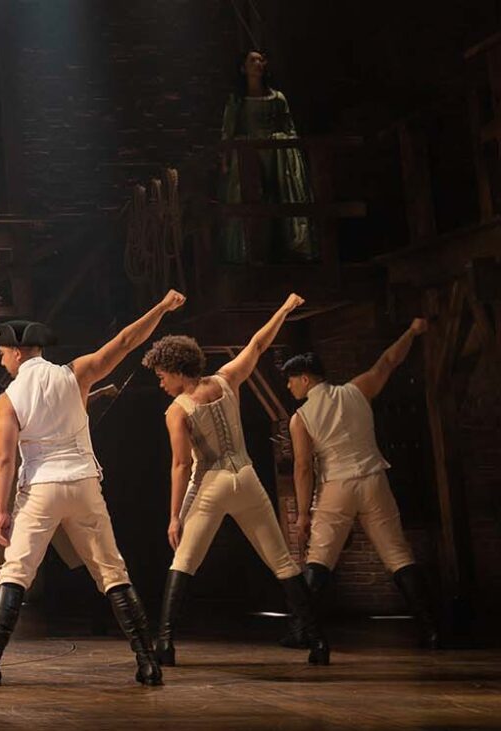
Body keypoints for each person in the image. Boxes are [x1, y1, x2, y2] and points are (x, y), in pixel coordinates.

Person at [0, 291, 188, 689]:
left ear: (17, 353)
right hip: (84, 483)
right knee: (112, 571)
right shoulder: (75, 373)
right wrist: (160, 308)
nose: (2, 361)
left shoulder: (8, 398)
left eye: (2, 354)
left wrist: (1, 511)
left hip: (41, 488)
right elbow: (125, 342)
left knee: (15, 571)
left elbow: (4, 459)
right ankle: (147, 663)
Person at [142, 294, 329, 666]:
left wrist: (174, 516)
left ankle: (165, 644)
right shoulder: (227, 379)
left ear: (177, 370)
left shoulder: (177, 410)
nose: (160, 383)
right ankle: (319, 642)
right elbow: (258, 344)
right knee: (282, 561)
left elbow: (181, 465)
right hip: (246, 478)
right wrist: (284, 309)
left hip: (211, 483)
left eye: (162, 375)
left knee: (184, 561)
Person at [283, 319, 442, 648]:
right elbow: (388, 361)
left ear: (305, 378)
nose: (289, 387)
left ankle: (302, 631)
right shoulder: (356, 390)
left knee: (319, 559)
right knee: (398, 554)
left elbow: (302, 467)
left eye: (291, 380)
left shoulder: (301, 418)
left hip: (336, 487)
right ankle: (431, 630)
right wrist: (412, 331)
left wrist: (303, 514)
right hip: (374, 480)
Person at [220, 50, 313, 262]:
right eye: (252, 60)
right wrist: (226, 159)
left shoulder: (278, 98)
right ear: (243, 68)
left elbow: (289, 128)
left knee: (279, 195)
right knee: (250, 196)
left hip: (277, 156)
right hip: (248, 156)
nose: (258, 63)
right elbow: (228, 131)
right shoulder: (237, 101)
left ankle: (288, 249)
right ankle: (248, 252)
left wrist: (285, 146)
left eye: (261, 60)